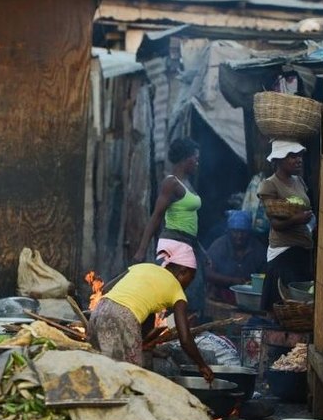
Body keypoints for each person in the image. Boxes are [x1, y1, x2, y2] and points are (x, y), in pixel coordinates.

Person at [90, 241, 214, 381]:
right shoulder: (177, 291)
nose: (189, 284)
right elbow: (185, 338)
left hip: (97, 313)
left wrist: (145, 345)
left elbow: (106, 289)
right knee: (131, 378)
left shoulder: (144, 267)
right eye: (190, 278)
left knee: (100, 370)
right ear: (183, 271)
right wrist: (202, 365)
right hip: (122, 318)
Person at [133, 138, 205, 314]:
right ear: (185, 159)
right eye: (195, 158)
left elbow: (189, 222)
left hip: (188, 244)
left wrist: (202, 251)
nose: (197, 162)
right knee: (166, 295)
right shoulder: (171, 183)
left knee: (191, 297)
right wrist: (141, 250)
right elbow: (156, 216)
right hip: (173, 245)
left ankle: (182, 335)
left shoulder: (188, 183)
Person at [258, 140, 313, 311]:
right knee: (282, 304)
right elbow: (275, 223)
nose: (299, 160)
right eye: (292, 156)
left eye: (299, 156)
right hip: (283, 253)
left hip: (302, 249)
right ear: (279, 160)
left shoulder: (299, 181)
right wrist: (296, 220)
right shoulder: (270, 184)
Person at [206, 210, 267, 304]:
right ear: (229, 231)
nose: (239, 236)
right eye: (235, 232)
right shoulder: (219, 246)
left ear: (249, 233)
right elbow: (207, 273)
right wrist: (233, 281)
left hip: (249, 297)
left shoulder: (258, 249)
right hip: (220, 295)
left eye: (243, 232)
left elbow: (265, 276)